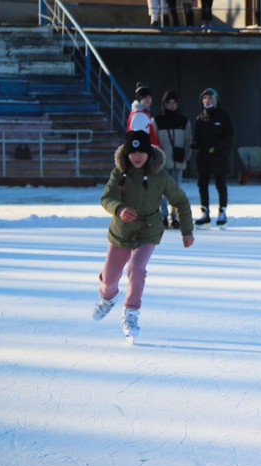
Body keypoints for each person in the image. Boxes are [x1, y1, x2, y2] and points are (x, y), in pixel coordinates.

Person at [92, 130, 195, 342]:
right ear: (126, 154)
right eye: (132, 152)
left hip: (148, 230)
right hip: (122, 231)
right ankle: (107, 297)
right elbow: (106, 198)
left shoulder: (160, 176)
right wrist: (119, 208)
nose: (137, 156)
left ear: (149, 153)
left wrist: (187, 230)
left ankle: (130, 313)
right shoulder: (118, 174)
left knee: (136, 269)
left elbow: (181, 201)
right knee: (109, 278)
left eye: (141, 152)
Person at [192, 87, 233, 226]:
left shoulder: (223, 116)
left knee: (220, 184)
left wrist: (216, 147)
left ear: (216, 100)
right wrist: (195, 145)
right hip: (203, 158)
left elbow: (228, 136)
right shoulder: (200, 118)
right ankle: (205, 212)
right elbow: (196, 137)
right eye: (204, 98)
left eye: (210, 98)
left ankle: (222, 211)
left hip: (220, 157)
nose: (207, 100)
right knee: (202, 184)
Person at [154, 89, 193, 228]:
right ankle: (163, 216)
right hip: (163, 162)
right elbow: (154, 141)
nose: (172, 105)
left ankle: (174, 217)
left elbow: (188, 140)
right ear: (164, 104)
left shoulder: (184, 121)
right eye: (169, 102)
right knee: (162, 190)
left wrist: (187, 156)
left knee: (176, 191)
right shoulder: (157, 120)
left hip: (178, 160)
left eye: (174, 102)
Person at [127, 82, 159, 147]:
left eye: (149, 97)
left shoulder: (143, 113)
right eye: (144, 97)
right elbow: (140, 138)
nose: (148, 100)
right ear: (139, 99)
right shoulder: (139, 115)